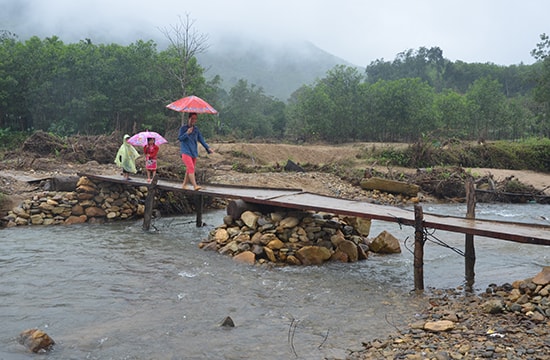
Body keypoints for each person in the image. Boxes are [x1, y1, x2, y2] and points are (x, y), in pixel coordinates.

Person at [178, 112, 214, 190]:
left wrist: (207, 148)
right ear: (189, 118)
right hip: (185, 151)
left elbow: (201, 139)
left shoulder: (196, 129)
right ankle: (195, 186)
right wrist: (187, 133)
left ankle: (184, 185)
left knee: (189, 169)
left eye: (195, 119)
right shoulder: (183, 128)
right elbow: (180, 138)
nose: (194, 120)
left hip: (193, 152)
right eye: (192, 118)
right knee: (191, 168)